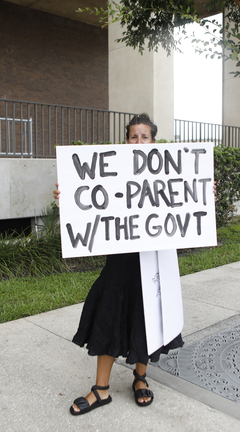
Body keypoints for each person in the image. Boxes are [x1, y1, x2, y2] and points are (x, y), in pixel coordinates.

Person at [53, 114, 183, 416]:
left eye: (144, 137)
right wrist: (68, 197)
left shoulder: (168, 175)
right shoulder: (111, 172)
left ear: (154, 141)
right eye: (133, 137)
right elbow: (89, 203)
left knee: (148, 316)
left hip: (153, 259)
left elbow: (184, 208)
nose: (138, 142)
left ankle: (140, 378)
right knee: (109, 314)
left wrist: (203, 195)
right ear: (126, 141)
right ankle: (101, 389)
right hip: (120, 261)